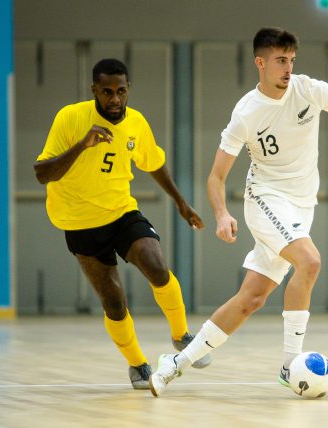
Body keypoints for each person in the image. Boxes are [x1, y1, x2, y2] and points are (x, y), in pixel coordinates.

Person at [148, 27, 328, 397]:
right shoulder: (247, 112)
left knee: (251, 299)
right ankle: (289, 365)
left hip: (301, 205)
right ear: (260, 63)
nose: (288, 68)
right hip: (265, 198)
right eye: (280, 61)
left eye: (292, 60)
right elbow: (216, 176)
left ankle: (175, 363)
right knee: (309, 261)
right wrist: (221, 214)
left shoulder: (310, 89)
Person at [34, 58, 211, 390]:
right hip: (79, 222)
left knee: (157, 266)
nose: (114, 99)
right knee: (114, 302)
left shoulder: (135, 123)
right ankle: (137, 365)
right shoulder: (70, 118)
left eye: (121, 91)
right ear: (94, 90)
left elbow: (154, 163)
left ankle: (182, 336)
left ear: (128, 90)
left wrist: (181, 202)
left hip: (120, 212)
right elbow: (43, 173)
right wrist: (81, 145)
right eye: (106, 92)